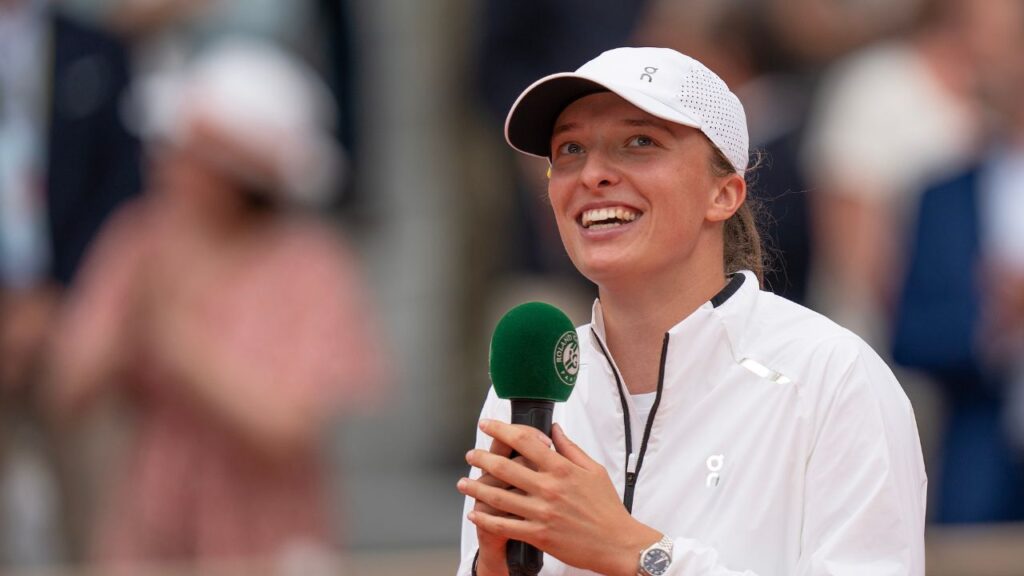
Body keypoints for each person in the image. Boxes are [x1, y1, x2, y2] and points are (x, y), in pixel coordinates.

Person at [456, 47, 926, 575]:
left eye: (640, 142)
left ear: (723, 194)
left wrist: (640, 556)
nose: (592, 175)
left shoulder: (832, 375)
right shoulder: (525, 390)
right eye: (569, 149)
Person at [45, 39, 385, 568]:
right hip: (149, 534)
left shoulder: (309, 263)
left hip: (269, 540)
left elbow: (287, 427)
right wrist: (120, 334)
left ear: (238, 175)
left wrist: (176, 341)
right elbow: (67, 389)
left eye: (185, 152)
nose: (162, 162)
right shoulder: (138, 239)